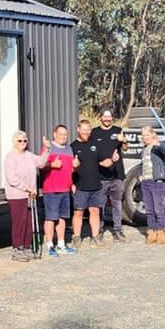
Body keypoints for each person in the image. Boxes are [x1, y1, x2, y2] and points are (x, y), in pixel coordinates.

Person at [3, 130, 50, 262]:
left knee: (29, 221)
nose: (23, 143)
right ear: (14, 142)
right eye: (20, 141)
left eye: (25, 140)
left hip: (30, 195)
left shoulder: (28, 155)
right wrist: (27, 188)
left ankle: (27, 246)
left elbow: (41, 163)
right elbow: (12, 179)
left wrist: (46, 149)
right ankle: (17, 248)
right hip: (17, 195)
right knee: (19, 222)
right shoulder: (10, 157)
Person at [41, 124, 78, 258]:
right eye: (60, 134)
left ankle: (61, 244)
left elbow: (70, 170)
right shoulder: (48, 148)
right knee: (51, 218)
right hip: (51, 189)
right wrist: (51, 165)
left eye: (65, 135)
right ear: (54, 134)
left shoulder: (69, 149)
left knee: (62, 218)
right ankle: (50, 244)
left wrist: (72, 181)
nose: (63, 137)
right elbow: (41, 165)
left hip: (65, 189)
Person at [91, 106, 127, 242]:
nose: (107, 119)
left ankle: (118, 231)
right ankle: (99, 230)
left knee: (117, 204)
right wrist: (100, 163)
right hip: (100, 176)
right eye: (105, 116)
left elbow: (125, 147)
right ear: (100, 117)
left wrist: (123, 141)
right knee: (100, 204)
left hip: (117, 175)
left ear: (112, 118)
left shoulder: (118, 131)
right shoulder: (94, 133)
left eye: (109, 116)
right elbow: (91, 152)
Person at [71, 119, 105, 247]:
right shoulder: (72, 146)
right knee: (78, 212)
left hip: (96, 185)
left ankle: (95, 237)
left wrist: (111, 160)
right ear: (78, 130)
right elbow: (69, 169)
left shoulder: (95, 145)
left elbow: (102, 161)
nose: (86, 132)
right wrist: (71, 183)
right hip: (80, 186)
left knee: (95, 211)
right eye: (83, 129)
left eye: (88, 130)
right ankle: (76, 237)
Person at [139, 126, 165, 245]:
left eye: (147, 135)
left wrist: (159, 144)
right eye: (143, 135)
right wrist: (140, 175)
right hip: (145, 182)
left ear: (152, 134)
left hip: (157, 182)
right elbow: (142, 165)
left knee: (158, 208)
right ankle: (151, 232)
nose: (145, 137)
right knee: (149, 209)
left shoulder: (157, 147)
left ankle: (160, 232)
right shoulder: (144, 149)